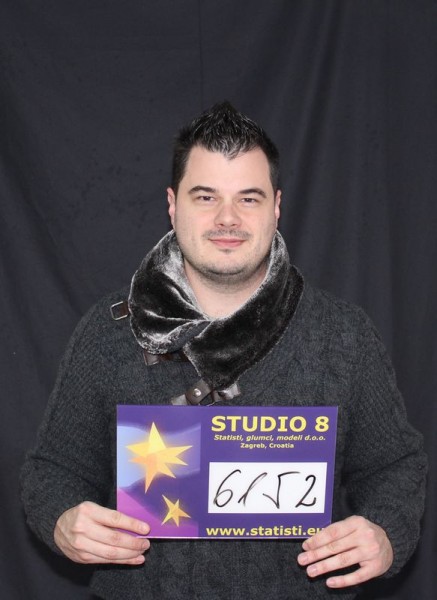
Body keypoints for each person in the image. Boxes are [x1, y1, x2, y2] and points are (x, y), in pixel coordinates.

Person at [21, 102, 427, 600]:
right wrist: (62, 519)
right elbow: (53, 470)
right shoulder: (107, 335)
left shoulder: (343, 335)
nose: (227, 218)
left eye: (249, 198)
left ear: (276, 207)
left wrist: (385, 530)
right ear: (173, 204)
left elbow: (393, 465)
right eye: (206, 196)